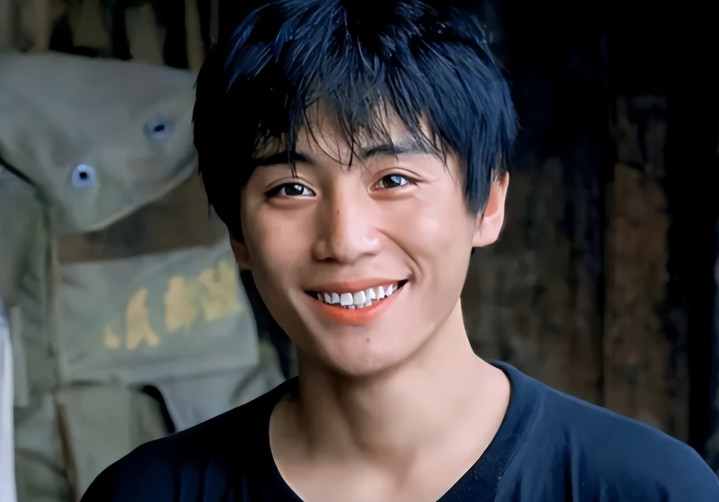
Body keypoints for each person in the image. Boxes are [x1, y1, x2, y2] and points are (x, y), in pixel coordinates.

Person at [80, 0, 719, 500]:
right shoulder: (145, 493)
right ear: (238, 234)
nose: (345, 240)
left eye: (393, 180)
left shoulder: (649, 488)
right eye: (291, 188)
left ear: (488, 204)